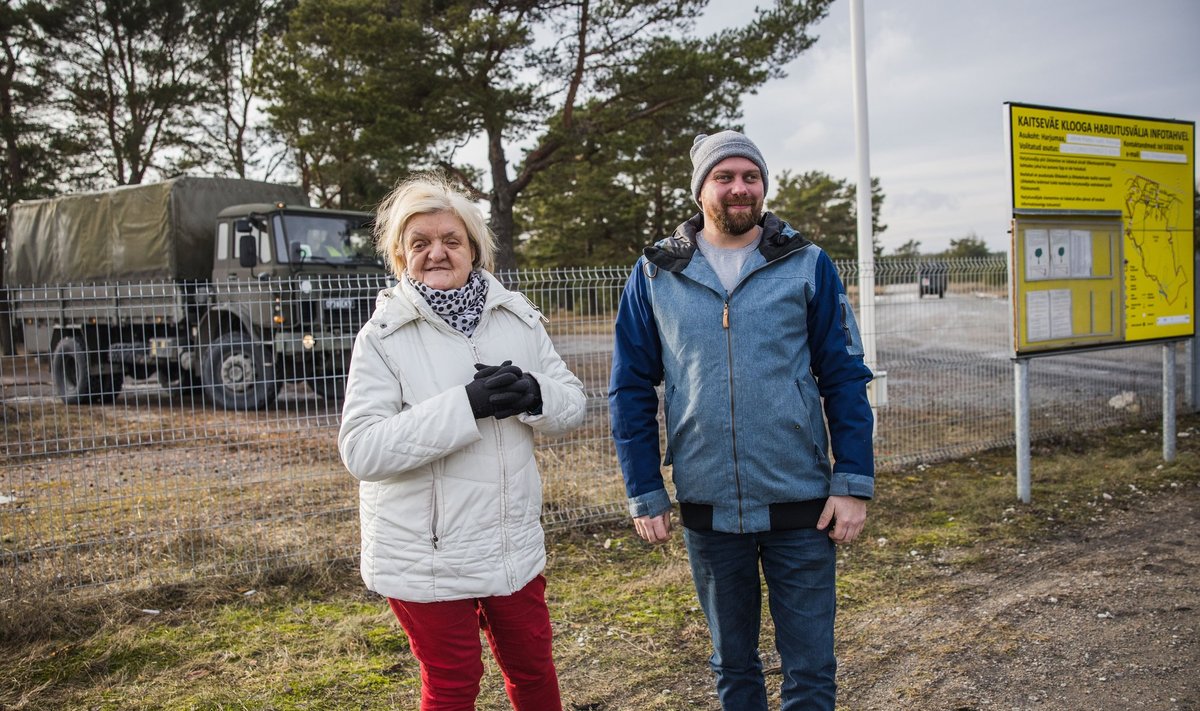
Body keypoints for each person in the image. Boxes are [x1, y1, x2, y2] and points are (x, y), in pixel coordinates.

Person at [608, 130, 875, 710]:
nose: (738, 188)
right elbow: (630, 386)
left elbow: (845, 377)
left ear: (763, 185)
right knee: (733, 666)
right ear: (700, 189)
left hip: (801, 500)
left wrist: (852, 482)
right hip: (708, 505)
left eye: (749, 177)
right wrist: (645, 488)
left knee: (809, 670)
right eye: (723, 177)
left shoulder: (806, 264)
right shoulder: (657, 272)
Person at [339, 172, 586, 710]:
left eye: (451, 240)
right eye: (420, 243)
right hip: (425, 552)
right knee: (453, 682)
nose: (437, 253)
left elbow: (573, 401)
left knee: (534, 670)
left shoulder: (517, 317)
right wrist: (464, 407)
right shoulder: (383, 337)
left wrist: (534, 394)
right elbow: (362, 450)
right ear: (401, 257)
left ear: (474, 248)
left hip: (509, 540)